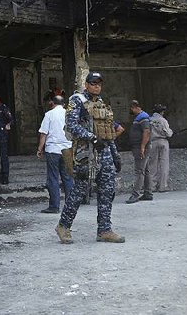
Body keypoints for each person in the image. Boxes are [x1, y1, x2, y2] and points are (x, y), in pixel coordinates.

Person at [56, 71, 125, 244]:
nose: (97, 86)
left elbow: (108, 130)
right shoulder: (76, 100)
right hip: (86, 153)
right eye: (93, 83)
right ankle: (63, 226)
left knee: (107, 191)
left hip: (105, 152)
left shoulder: (100, 103)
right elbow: (71, 125)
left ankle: (104, 230)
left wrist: (115, 154)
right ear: (86, 84)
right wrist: (92, 138)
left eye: (99, 84)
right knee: (80, 191)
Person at [37, 95, 73, 213]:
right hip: (67, 149)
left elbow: (43, 133)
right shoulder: (69, 114)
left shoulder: (49, 114)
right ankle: (70, 205)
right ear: (64, 104)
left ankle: (54, 206)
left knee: (53, 178)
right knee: (67, 177)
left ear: (53, 103)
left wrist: (39, 149)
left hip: (53, 149)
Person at [125, 100, 152, 204]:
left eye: (131, 108)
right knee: (145, 170)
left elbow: (147, 131)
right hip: (140, 146)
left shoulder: (143, 117)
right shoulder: (140, 117)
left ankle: (135, 194)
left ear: (135, 107)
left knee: (139, 171)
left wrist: (142, 147)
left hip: (140, 147)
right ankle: (148, 193)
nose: (130, 110)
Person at [148, 104, 173, 193]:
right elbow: (168, 133)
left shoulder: (149, 120)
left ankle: (152, 186)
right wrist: (171, 132)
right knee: (164, 164)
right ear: (162, 112)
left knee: (152, 164)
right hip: (163, 142)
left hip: (152, 142)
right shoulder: (163, 120)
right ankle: (163, 186)